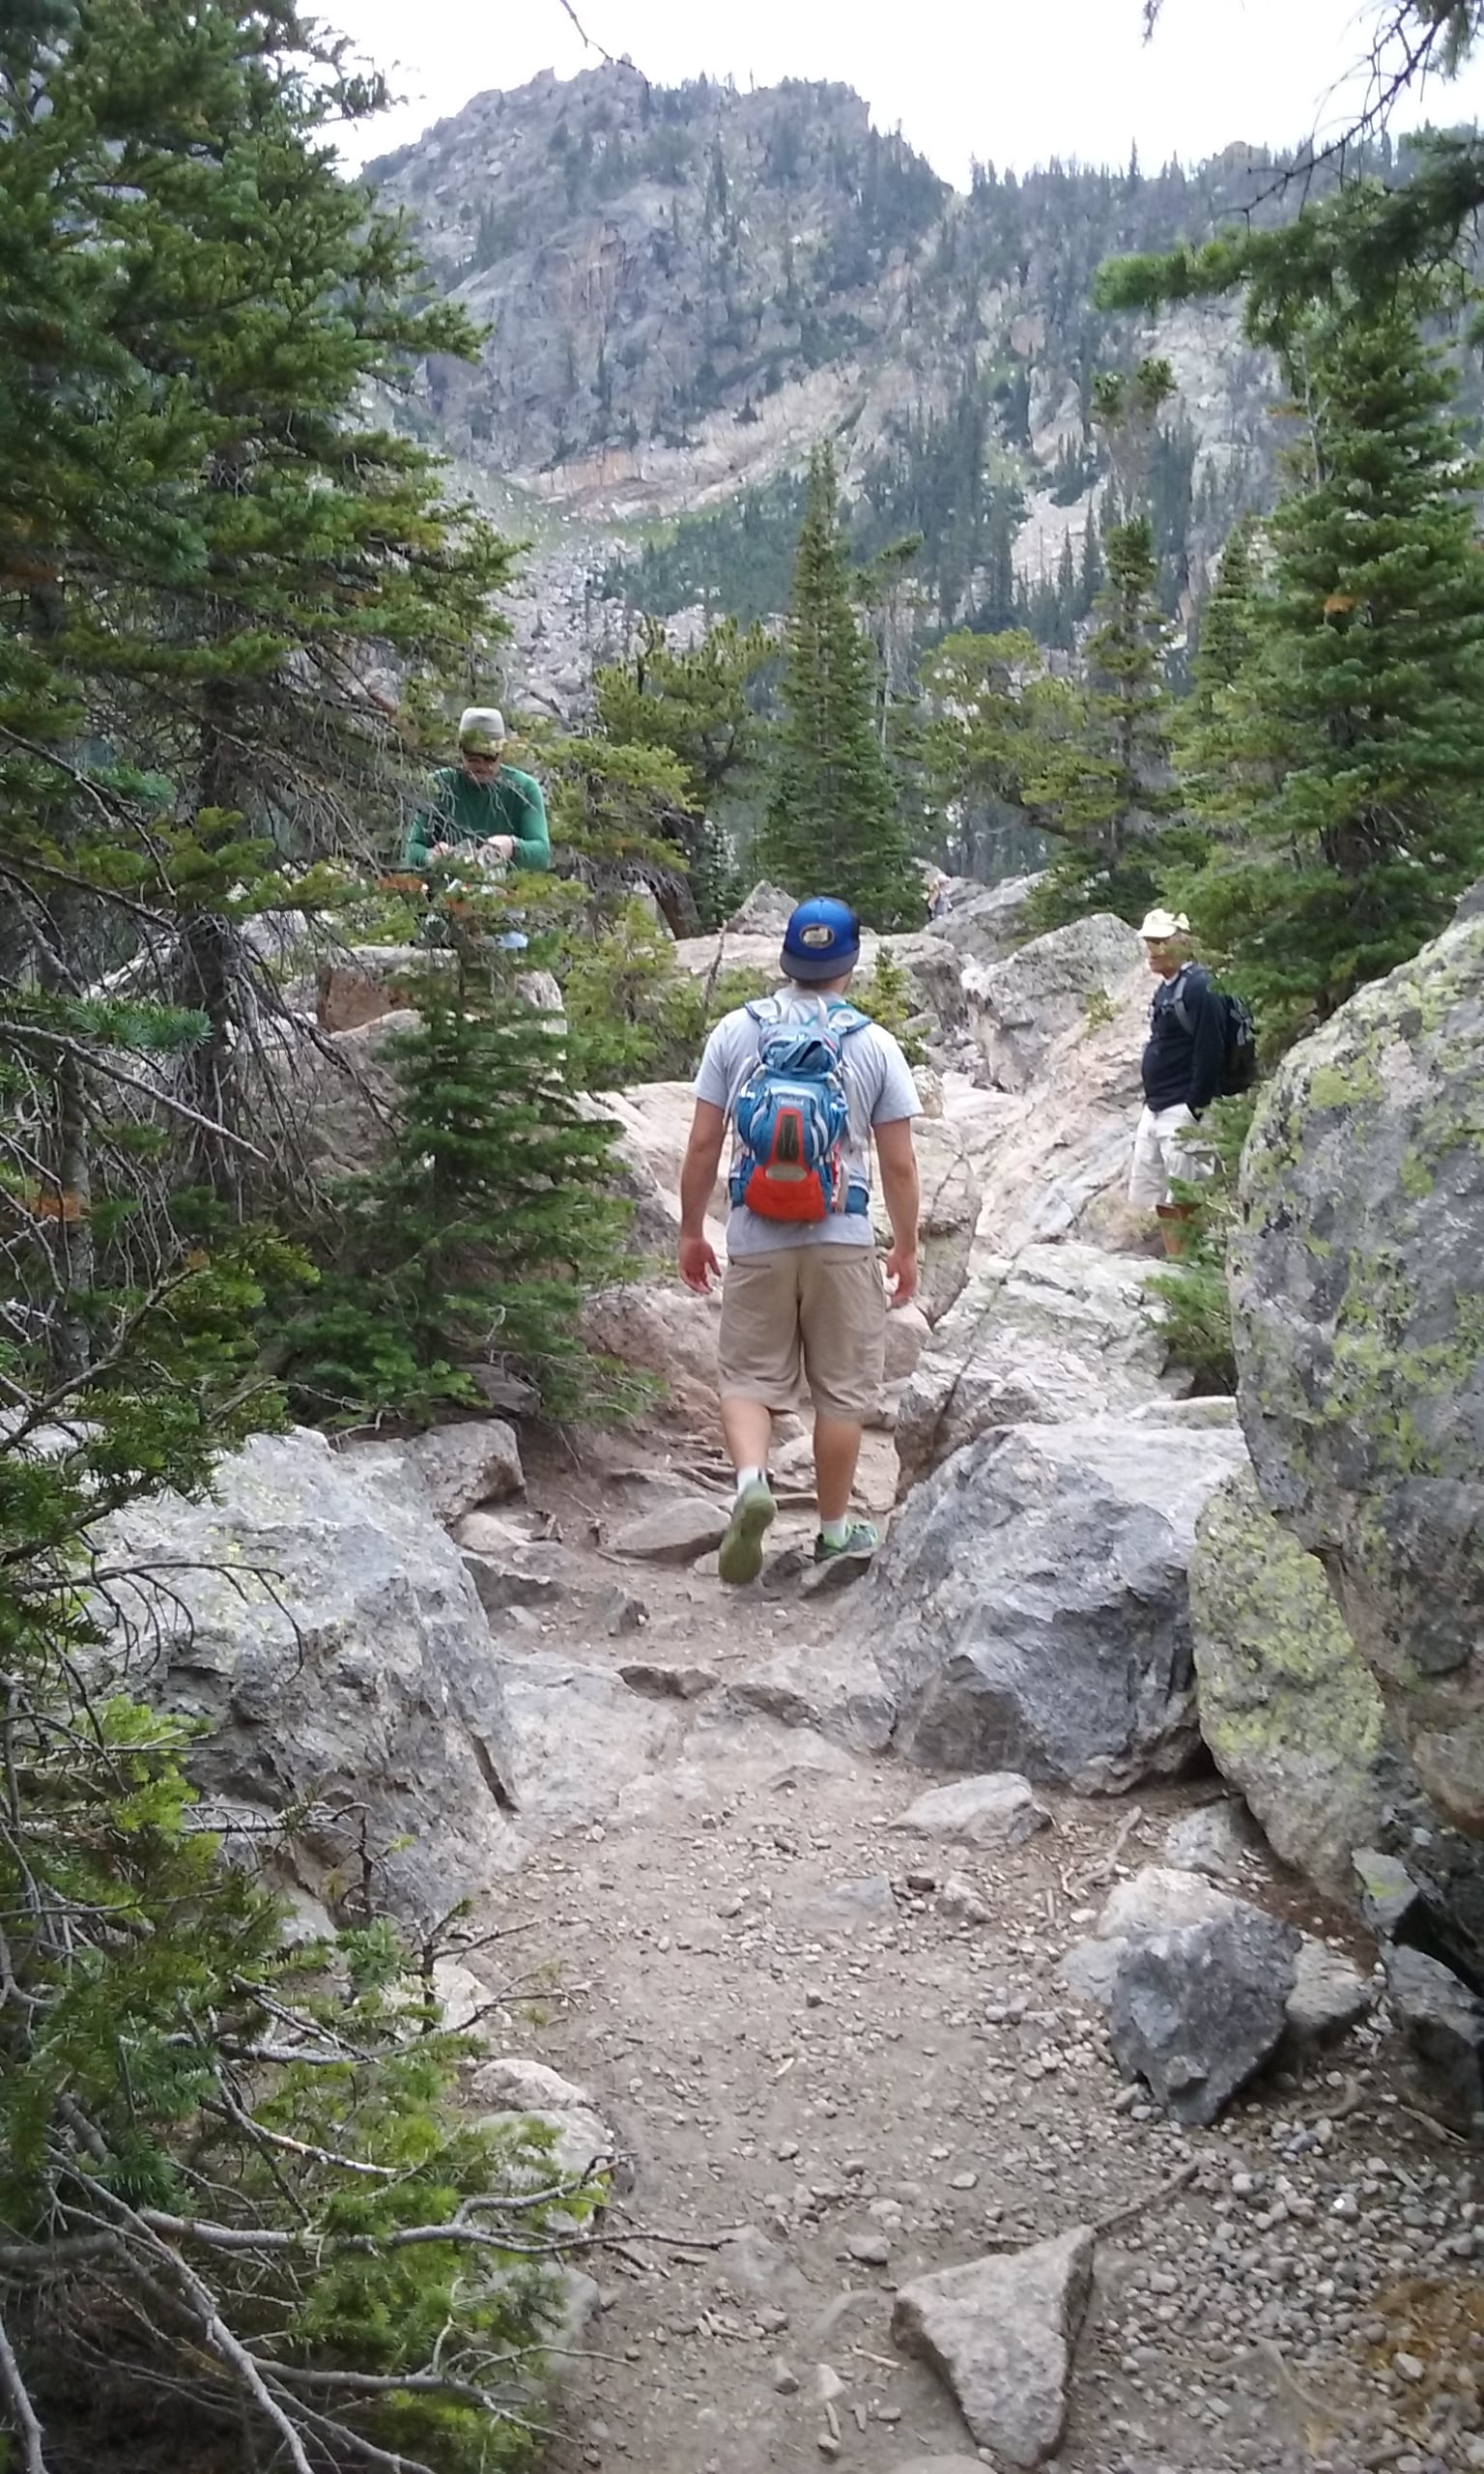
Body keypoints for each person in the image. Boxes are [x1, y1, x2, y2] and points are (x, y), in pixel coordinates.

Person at [677, 896, 922, 1586]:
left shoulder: (737, 1031)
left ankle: (751, 1483)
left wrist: (692, 1230)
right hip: (842, 1236)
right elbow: (900, 1163)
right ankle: (834, 1532)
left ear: (787, 958)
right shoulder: (873, 1044)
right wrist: (906, 1246)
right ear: (850, 962)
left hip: (756, 1234)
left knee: (746, 1379)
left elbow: (703, 1143)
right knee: (841, 1393)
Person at [1129, 907, 1226, 1253]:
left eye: (1160, 942)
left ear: (1182, 943)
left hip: (1181, 1107)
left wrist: (1194, 1108)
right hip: (1158, 1105)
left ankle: (1189, 1263)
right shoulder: (1168, 989)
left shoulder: (1199, 987)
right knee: (1162, 1192)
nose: (1152, 950)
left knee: (1186, 1193)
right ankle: (1176, 1260)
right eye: (1149, 942)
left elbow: (1210, 1050)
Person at [404, 707, 551, 876]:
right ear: (460, 752)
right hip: (447, 888)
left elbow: (542, 854)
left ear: (502, 754)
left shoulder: (524, 789)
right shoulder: (437, 785)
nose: (481, 766)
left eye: (489, 758)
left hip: (509, 890)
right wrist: (431, 856)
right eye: (473, 758)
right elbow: (413, 849)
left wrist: (511, 846)